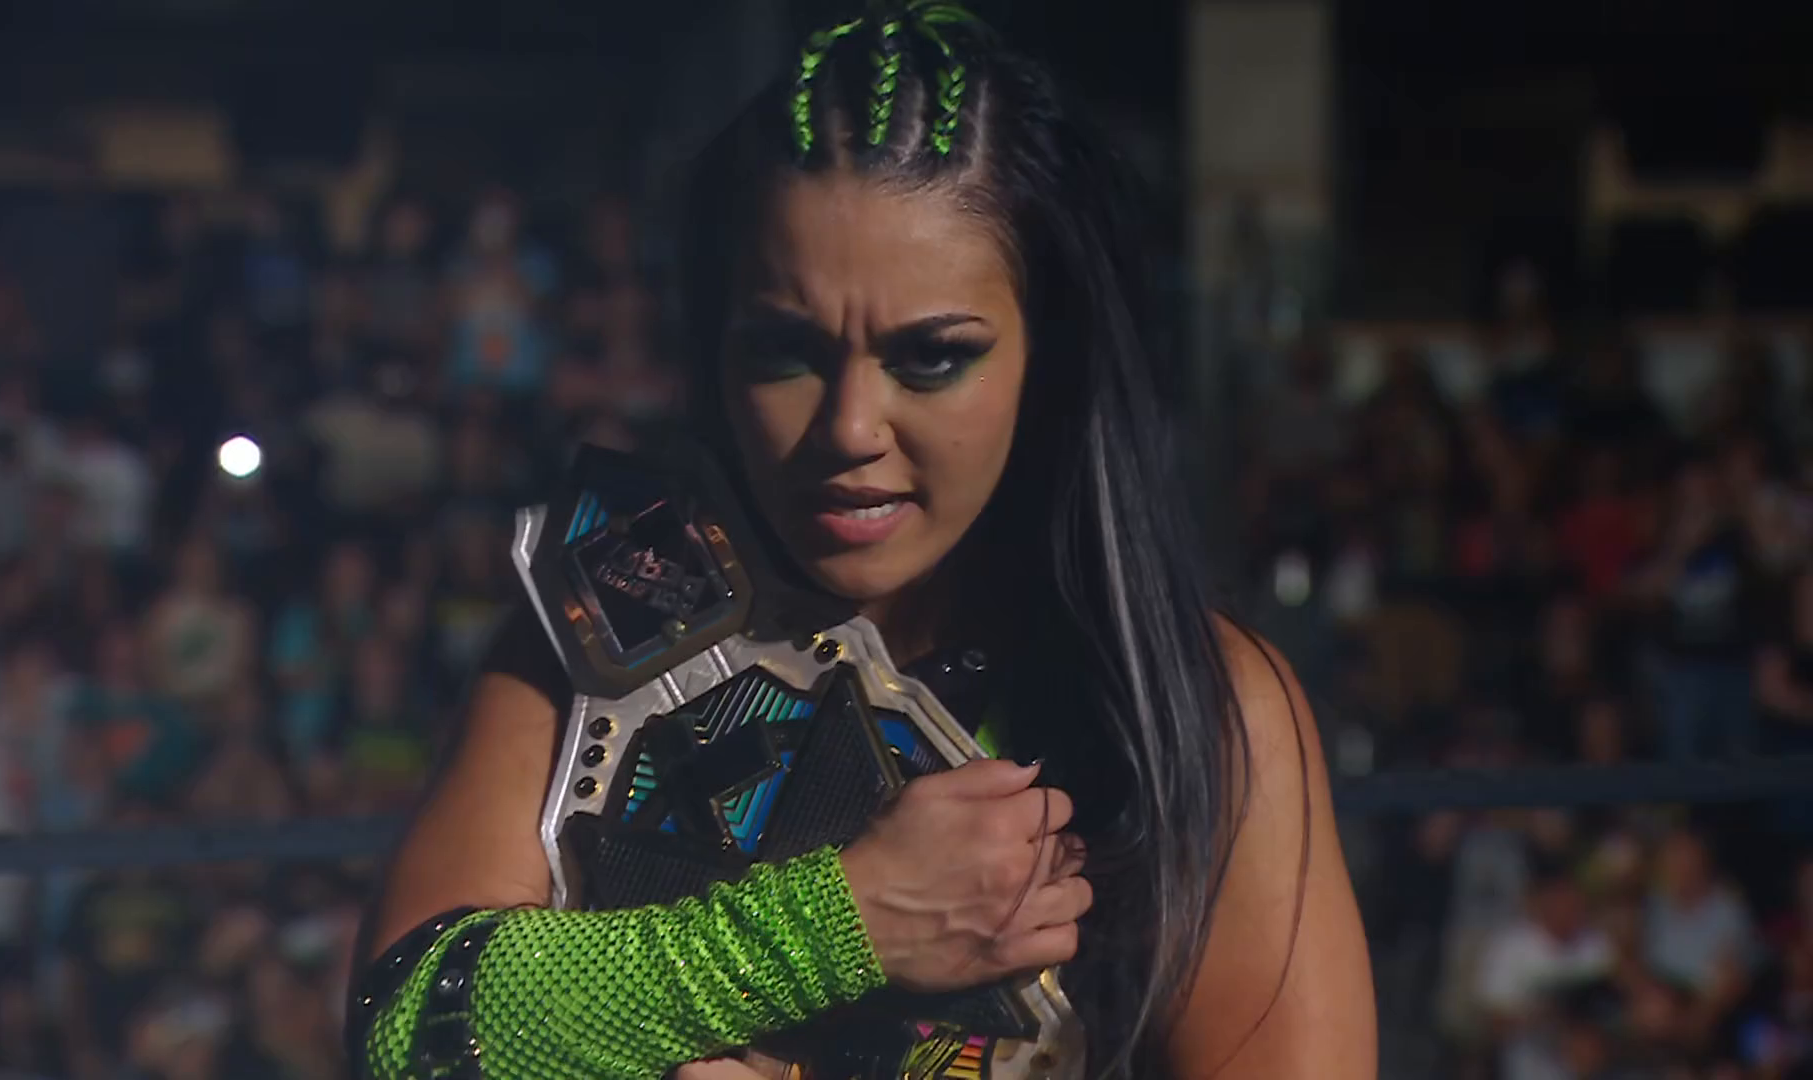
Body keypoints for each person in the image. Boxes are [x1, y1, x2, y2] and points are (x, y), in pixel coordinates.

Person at [353, 5, 1374, 1078]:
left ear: (1053, 357)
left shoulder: (1198, 706)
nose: (848, 427)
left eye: (931, 357)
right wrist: (844, 924)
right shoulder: (607, 610)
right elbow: (407, 1028)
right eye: (784, 351)